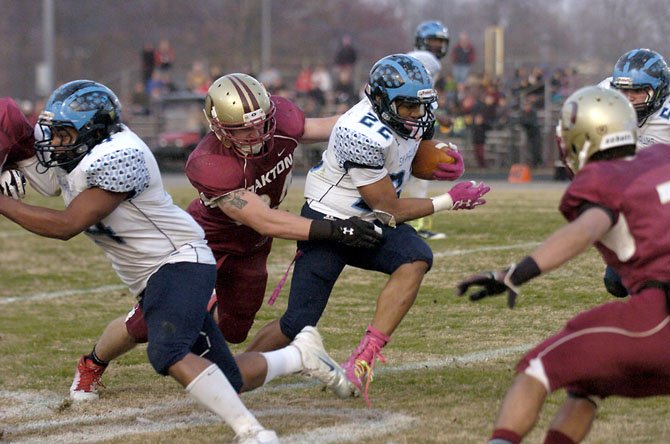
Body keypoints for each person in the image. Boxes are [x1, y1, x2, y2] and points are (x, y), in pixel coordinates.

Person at [0, 79, 354, 444]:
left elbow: (66, 225)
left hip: (179, 259)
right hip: (153, 274)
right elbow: (24, 142)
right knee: (226, 374)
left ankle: (252, 432)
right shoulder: (82, 150)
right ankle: (300, 356)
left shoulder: (120, 156)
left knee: (167, 350)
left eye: (63, 134)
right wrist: (10, 163)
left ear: (92, 133)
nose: (53, 143)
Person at [66, 73, 381, 402]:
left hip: (251, 249)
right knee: (144, 325)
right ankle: (92, 363)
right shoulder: (210, 163)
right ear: (218, 128)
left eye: (261, 122)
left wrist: (375, 108)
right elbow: (265, 220)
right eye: (243, 128)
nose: (256, 133)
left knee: (235, 328)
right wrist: (338, 229)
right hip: (202, 245)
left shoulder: (283, 122)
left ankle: (212, 342)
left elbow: (333, 126)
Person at [246, 54, 490, 406]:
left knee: (416, 257)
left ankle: (364, 357)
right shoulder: (358, 131)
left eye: (420, 105)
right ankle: (234, 372)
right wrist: (449, 200)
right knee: (296, 323)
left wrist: (437, 162)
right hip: (330, 222)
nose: (416, 115)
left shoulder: (411, 118)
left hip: (371, 221)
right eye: (406, 106)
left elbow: (405, 161)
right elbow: (388, 208)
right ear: (380, 100)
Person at [457, 85, 670, 444]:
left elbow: (587, 229)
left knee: (536, 370)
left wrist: (515, 274)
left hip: (659, 315)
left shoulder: (603, 178)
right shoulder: (663, 155)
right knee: (585, 383)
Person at [596, 49, 670, 298]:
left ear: (659, 90)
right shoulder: (604, 95)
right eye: (623, 91)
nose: (628, 99)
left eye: (637, 92)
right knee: (617, 283)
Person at [406, 20, 454, 240]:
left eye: (439, 41)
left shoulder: (411, 57)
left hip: (400, 117)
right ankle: (416, 226)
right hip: (404, 121)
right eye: (432, 40)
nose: (436, 45)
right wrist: (437, 115)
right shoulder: (428, 60)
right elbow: (418, 93)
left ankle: (414, 225)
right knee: (417, 172)